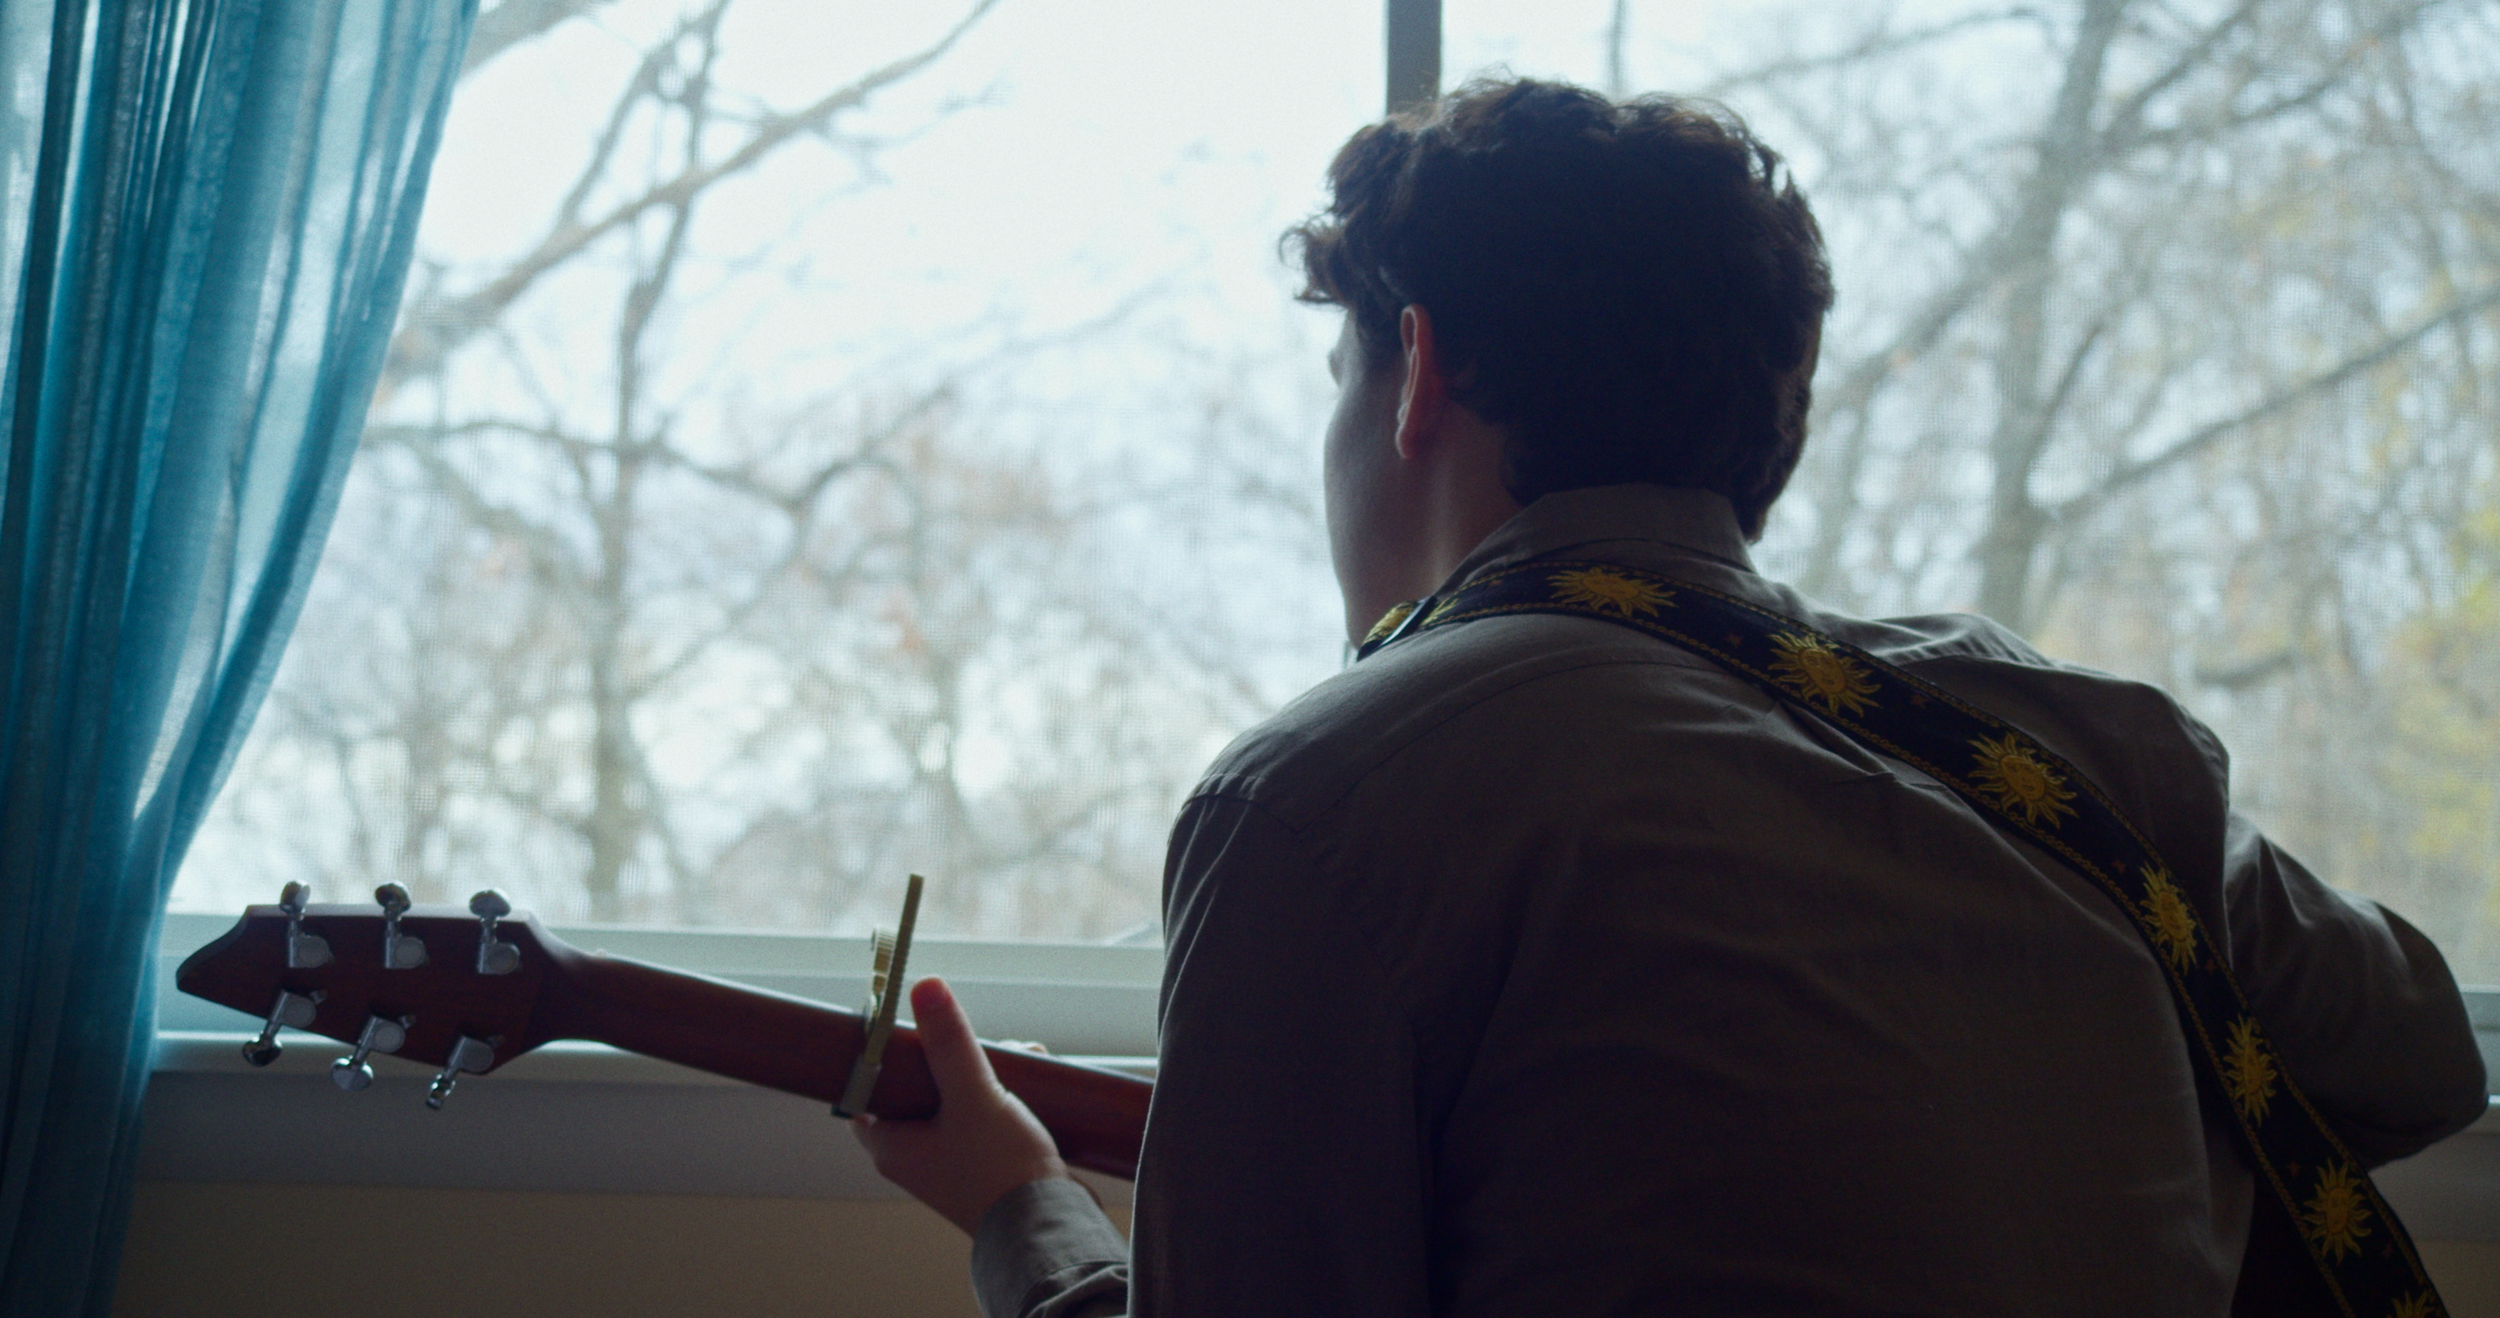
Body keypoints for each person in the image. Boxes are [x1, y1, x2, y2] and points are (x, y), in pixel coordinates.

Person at [851, 78, 2487, 1316]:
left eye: (1339, 378)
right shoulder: (2071, 747)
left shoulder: (1318, 800)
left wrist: (1023, 1210)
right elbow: (2424, 1057)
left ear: (1418, 374)